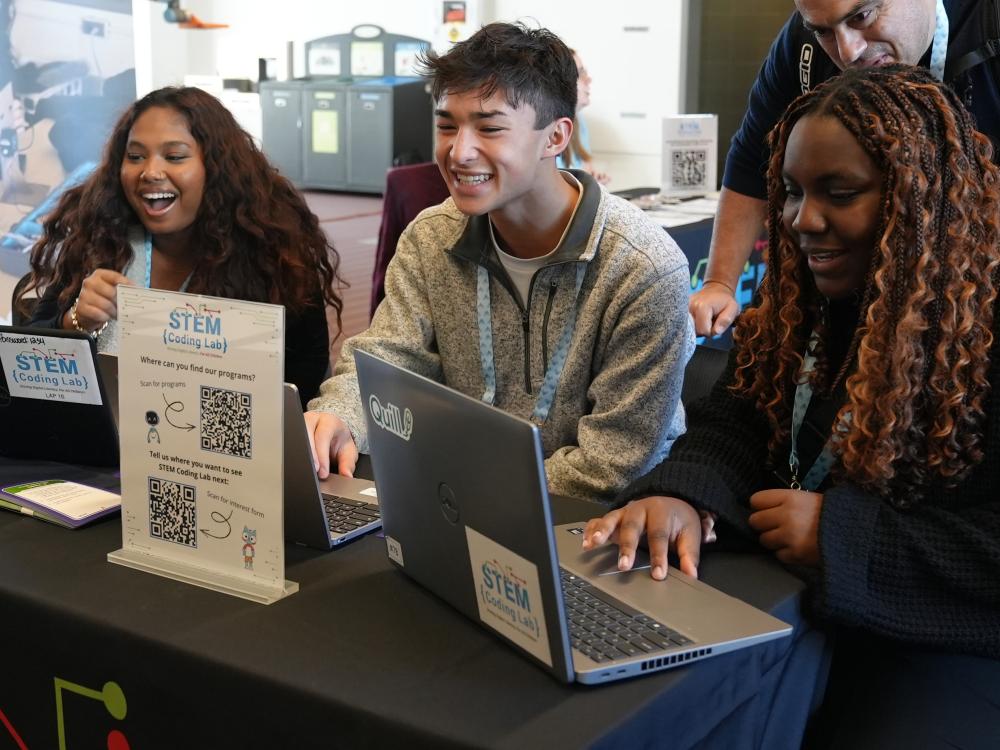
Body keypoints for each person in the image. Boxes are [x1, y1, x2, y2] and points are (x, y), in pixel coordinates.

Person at [586, 61, 1000, 652]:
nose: (803, 220)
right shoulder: (799, 308)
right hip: (801, 606)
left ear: (923, 197)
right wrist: (681, 492)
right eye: (791, 193)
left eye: (840, 193)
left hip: (944, 647)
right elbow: (734, 423)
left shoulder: (982, 329)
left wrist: (844, 538)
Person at [305, 22, 693, 503]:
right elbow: (387, 355)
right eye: (447, 125)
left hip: (591, 523)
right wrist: (340, 413)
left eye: (489, 128)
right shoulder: (431, 237)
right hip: (457, 497)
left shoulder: (643, 269)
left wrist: (472, 493)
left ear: (555, 137)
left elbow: (612, 463)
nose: (459, 151)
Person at [16, 86, 342, 407]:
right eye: (135, 157)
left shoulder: (275, 256)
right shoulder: (101, 242)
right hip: (100, 451)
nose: (151, 171)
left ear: (216, 169)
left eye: (174, 157)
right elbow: (28, 357)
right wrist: (76, 321)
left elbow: (304, 378)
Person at [690, 0, 1000, 337]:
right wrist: (719, 282)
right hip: (861, 298)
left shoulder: (990, 24)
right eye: (824, 31)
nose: (848, 52)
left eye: (862, 16)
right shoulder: (803, 46)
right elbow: (752, 160)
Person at [559, 50, 609, 185]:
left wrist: (594, 179)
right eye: (581, 73)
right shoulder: (546, 131)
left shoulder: (579, 120)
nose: (589, 79)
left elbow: (587, 168)